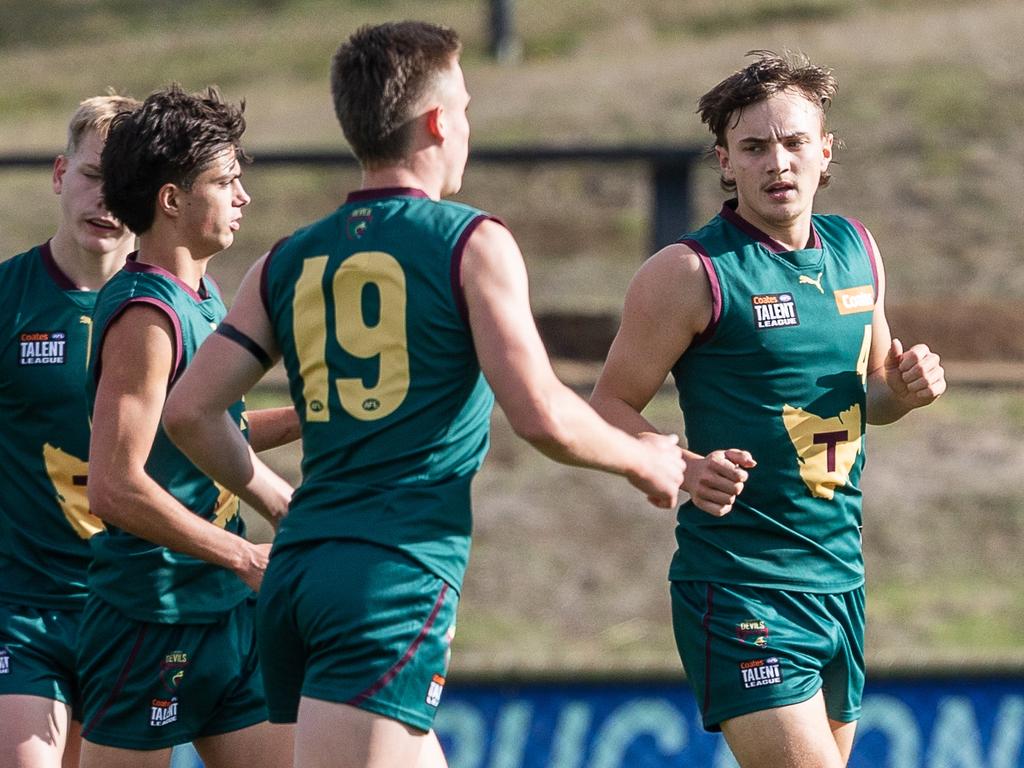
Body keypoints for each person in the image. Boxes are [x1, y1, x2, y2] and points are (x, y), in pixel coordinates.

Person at [162, 20, 686, 768]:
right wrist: (642, 459)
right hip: (389, 575)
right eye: (465, 107)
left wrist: (281, 502)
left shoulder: (286, 258)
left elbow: (189, 411)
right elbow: (539, 414)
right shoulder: (471, 243)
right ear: (438, 121)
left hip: (302, 578)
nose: (467, 125)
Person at [590, 51, 946, 768]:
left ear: (825, 151)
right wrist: (685, 467)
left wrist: (901, 393)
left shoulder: (858, 251)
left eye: (792, 143)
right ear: (725, 163)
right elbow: (606, 408)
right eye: (754, 148)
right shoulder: (690, 273)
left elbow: (869, 395)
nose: (776, 163)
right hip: (742, 581)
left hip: (838, 575)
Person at [77, 84, 297, 768]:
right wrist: (242, 554)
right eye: (226, 181)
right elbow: (114, 486)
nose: (243, 197)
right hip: (148, 620)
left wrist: (315, 417)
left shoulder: (202, 295)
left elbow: (200, 433)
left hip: (225, 614)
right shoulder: (147, 317)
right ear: (172, 200)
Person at [0, 93, 140, 768]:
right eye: (91, 176)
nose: (106, 201)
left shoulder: (173, 305)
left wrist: (309, 419)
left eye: (126, 185)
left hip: (131, 610)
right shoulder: (9, 300)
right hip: (23, 611)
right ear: (60, 174)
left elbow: (202, 433)